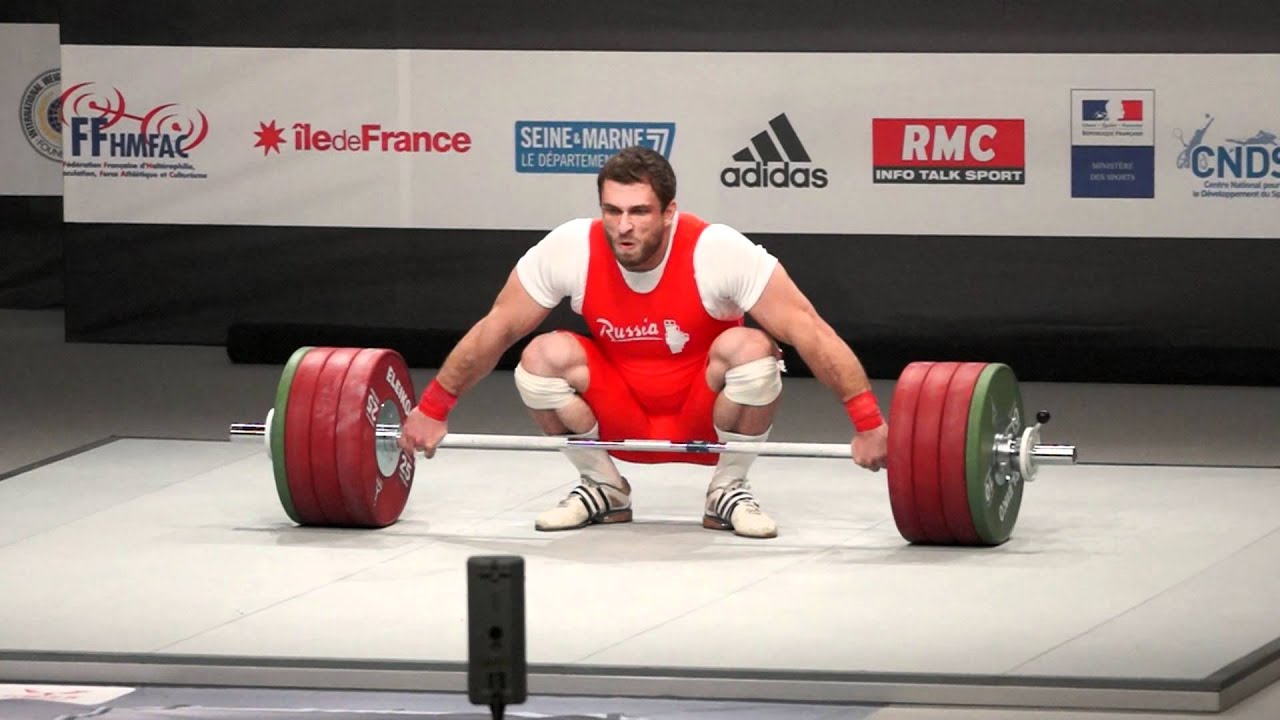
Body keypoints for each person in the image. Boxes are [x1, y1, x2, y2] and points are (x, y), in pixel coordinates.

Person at [397, 146, 888, 539]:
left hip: (707, 416)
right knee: (539, 358)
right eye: (612, 211)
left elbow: (810, 329)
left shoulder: (717, 250)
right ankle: (604, 487)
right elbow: (497, 327)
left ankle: (728, 490)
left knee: (754, 352)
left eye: (639, 212)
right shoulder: (572, 247)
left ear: (670, 211)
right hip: (619, 411)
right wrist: (434, 407)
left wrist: (867, 422)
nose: (624, 226)